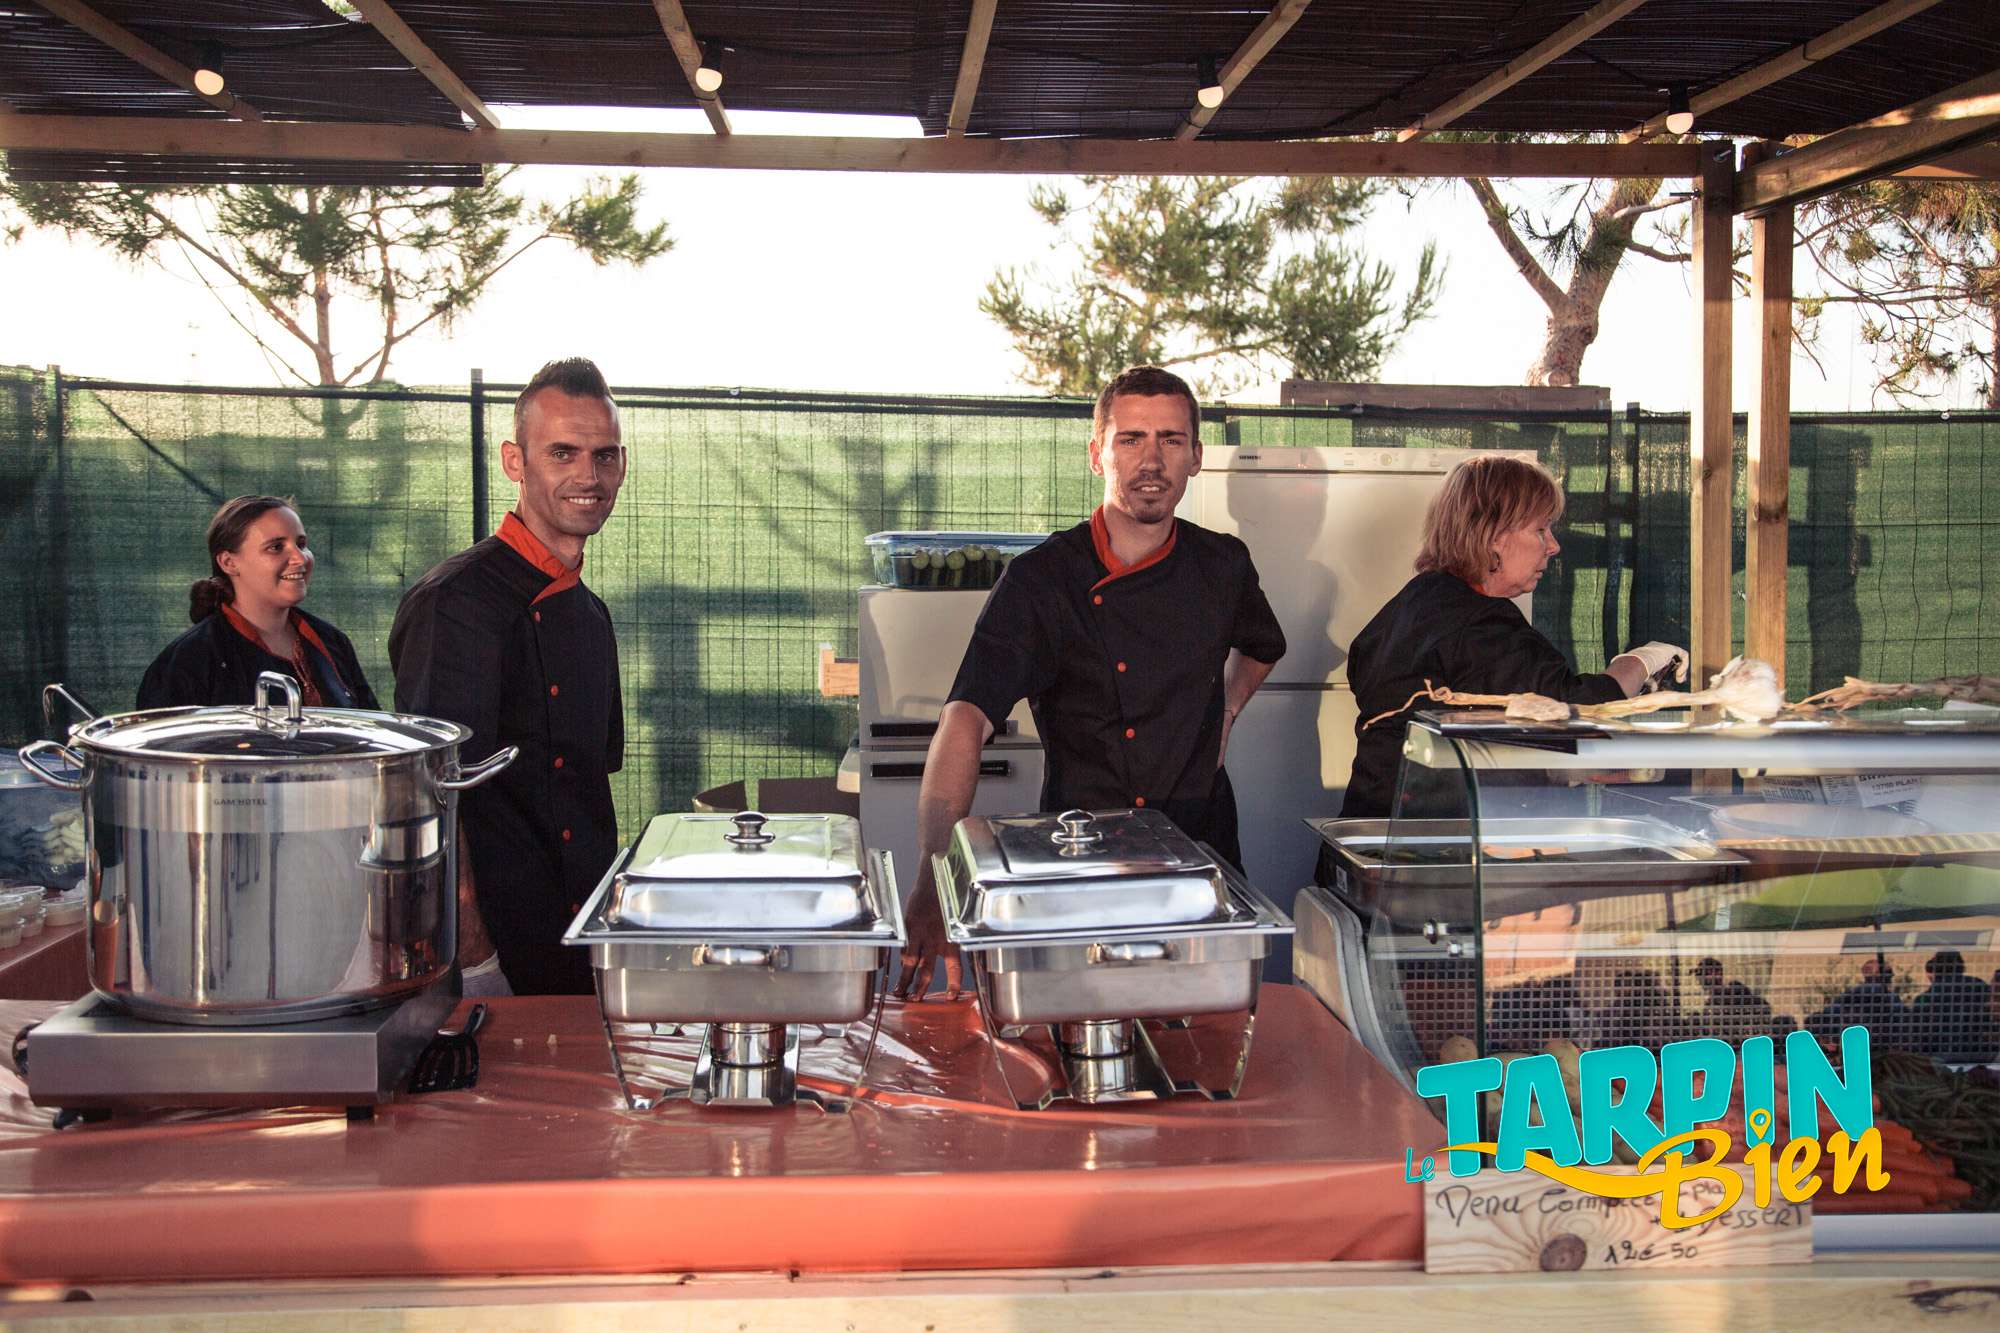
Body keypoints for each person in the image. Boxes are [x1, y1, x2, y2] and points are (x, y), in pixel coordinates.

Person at [895, 365, 1287, 998]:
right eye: (1131, 439)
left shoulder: (1223, 565)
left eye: (1171, 440)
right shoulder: (1042, 580)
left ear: (1195, 457)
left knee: (1207, 1036)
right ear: (1097, 454)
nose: (1152, 461)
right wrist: (935, 878)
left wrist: (1228, 711)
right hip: (1082, 862)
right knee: (1086, 1030)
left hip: (1200, 856)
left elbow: (1265, 646)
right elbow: (965, 718)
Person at [389, 358, 626, 997]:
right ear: (514, 462)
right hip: (492, 949)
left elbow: (589, 783)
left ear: (622, 466)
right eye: (562, 453)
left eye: (604, 456)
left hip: (580, 936)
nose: (588, 476)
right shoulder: (455, 603)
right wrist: (474, 959)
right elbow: (427, 796)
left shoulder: (590, 615)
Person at [1340, 455, 1688, 819]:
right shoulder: (1480, 622)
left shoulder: (1418, 600)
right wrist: (1640, 661)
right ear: (1493, 537)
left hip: (1377, 823)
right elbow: (1578, 708)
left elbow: (1483, 726)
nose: (1553, 546)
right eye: (1541, 530)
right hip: (1426, 837)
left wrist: (1554, 770)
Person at [138, 494, 378, 711]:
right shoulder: (189, 660)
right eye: (276, 547)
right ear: (229, 563)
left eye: (301, 544)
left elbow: (370, 729)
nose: (300, 558)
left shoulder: (332, 642)